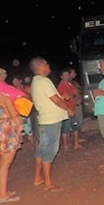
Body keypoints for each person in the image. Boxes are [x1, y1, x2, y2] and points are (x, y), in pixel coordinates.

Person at [29, 56, 74, 192]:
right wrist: (67, 108)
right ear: (40, 66)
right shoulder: (44, 81)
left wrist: (62, 97)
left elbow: (52, 98)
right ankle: (48, 183)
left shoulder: (36, 81)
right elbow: (54, 99)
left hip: (45, 120)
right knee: (49, 152)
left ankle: (37, 178)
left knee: (42, 150)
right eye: (46, 64)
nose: (49, 66)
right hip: (51, 122)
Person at [0, 81, 23, 203]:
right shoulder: (5, 98)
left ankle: (1, 190)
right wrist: (20, 128)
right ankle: (2, 195)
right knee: (5, 164)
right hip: (8, 130)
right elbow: (15, 115)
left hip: (0, 130)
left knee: (0, 163)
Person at [57, 69, 83, 151]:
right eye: (64, 75)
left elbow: (76, 93)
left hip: (73, 109)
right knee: (65, 129)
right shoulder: (61, 86)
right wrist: (74, 96)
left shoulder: (70, 84)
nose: (66, 76)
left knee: (76, 126)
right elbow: (67, 96)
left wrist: (73, 97)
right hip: (66, 110)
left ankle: (76, 143)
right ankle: (65, 145)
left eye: (67, 74)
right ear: (61, 76)